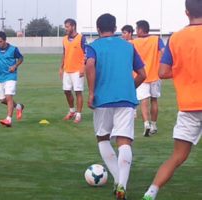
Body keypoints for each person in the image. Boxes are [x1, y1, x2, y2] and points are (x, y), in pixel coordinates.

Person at [142, 0, 202, 199]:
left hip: (188, 106)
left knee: (176, 157)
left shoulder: (175, 38)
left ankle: (151, 192)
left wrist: (183, 69)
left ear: (186, 12)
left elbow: (162, 72)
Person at [85, 13, 146, 199]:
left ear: (97, 29)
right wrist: (129, 88)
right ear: (116, 27)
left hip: (102, 99)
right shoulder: (129, 46)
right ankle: (122, 185)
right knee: (124, 141)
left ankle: (118, 179)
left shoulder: (92, 47)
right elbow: (142, 74)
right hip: (126, 99)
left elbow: (89, 65)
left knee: (103, 138)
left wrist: (91, 92)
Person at [132, 20, 165, 136]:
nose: (136, 31)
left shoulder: (133, 42)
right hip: (154, 75)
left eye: (136, 29)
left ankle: (146, 123)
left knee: (143, 101)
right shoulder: (156, 39)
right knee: (154, 100)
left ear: (140, 29)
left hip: (140, 75)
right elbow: (164, 52)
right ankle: (154, 124)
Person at [58, 18, 87, 123]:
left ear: (73, 26)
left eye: (67, 26)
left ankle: (78, 115)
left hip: (77, 70)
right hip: (67, 69)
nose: (66, 28)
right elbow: (64, 53)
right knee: (66, 91)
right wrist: (61, 67)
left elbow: (86, 54)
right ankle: (72, 110)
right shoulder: (64, 39)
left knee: (78, 92)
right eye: (65, 26)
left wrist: (83, 67)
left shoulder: (81, 38)